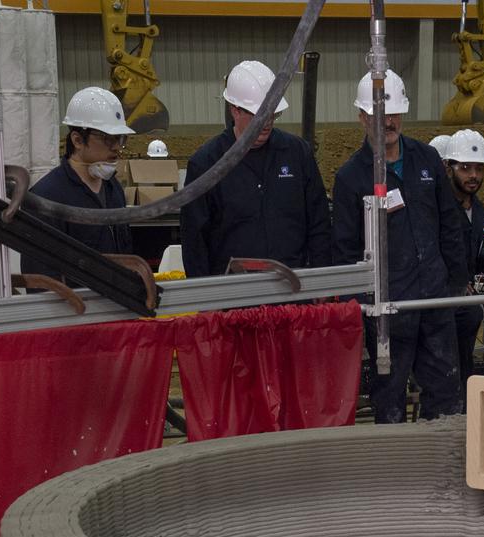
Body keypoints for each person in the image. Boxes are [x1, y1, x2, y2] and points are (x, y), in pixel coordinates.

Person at [332, 70, 468, 423]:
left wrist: (455, 282)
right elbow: (345, 249)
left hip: (434, 301)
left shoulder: (427, 160)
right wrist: (362, 303)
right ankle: (391, 456)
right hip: (387, 310)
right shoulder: (351, 177)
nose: (388, 122)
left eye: (394, 114)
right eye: (379, 115)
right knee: (389, 399)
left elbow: (450, 224)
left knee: (446, 393)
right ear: (362, 117)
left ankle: (442, 454)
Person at [180, 59, 331, 278]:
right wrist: (206, 294)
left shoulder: (297, 153)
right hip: (233, 292)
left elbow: (319, 224)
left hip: (292, 286)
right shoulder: (206, 164)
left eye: (273, 114)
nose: (267, 122)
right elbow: (194, 243)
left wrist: (321, 280)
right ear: (235, 110)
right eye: (259, 115)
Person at [20, 87, 133, 288]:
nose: (116, 147)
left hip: (117, 302)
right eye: (108, 138)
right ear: (78, 140)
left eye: (120, 139)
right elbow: (41, 280)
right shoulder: (46, 197)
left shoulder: (113, 189)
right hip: (76, 305)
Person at [444, 129, 484, 394]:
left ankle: (464, 401)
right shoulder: (440, 210)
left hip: (467, 301)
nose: (473, 175)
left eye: (478, 168)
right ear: (449, 168)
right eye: (465, 168)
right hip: (444, 299)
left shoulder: (479, 210)